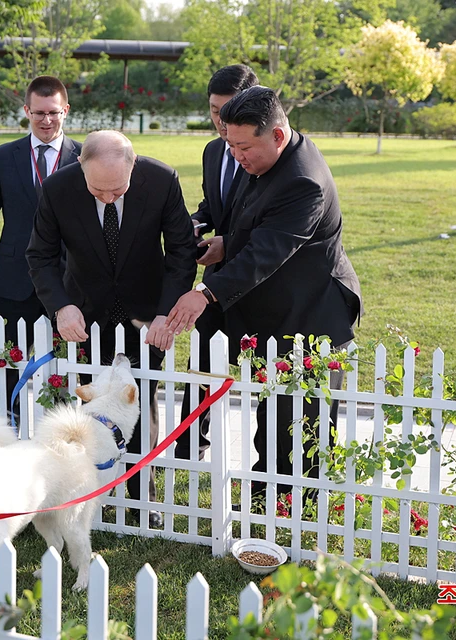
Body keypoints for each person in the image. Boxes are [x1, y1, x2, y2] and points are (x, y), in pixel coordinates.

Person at [165, 86, 362, 504]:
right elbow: (249, 225)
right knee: (271, 415)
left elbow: (267, 252)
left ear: (276, 134)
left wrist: (205, 292)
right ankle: (265, 497)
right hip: (276, 312)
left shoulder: (303, 181)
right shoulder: (263, 160)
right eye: (229, 144)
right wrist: (223, 246)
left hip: (311, 317)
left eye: (243, 146)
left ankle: (291, 508)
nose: (236, 155)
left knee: (297, 422)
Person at [26, 130, 198, 526]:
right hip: (85, 316)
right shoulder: (58, 189)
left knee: (140, 401)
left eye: (116, 189)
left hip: (146, 317)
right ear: (80, 168)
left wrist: (166, 312)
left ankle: (143, 499)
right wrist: (61, 307)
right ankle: (90, 494)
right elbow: (40, 254)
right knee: (93, 408)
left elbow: (181, 252)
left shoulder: (162, 180)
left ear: (133, 166)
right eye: (97, 190)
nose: (107, 197)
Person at [0, 76, 82, 424]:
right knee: (9, 363)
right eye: (39, 113)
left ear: (66, 111)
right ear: (27, 111)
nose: (47, 121)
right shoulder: (5, 156)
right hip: (15, 280)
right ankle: (9, 429)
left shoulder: (84, 155)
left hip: (66, 280)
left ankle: (59, 431)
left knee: (62, 363)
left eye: (54, 113)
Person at [174, 64, 259, 462]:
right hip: (215, 277)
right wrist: (196, 222)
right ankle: (192, 445)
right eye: (213, 111)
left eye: (229, 111)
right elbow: (214, 206)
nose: (222, 123)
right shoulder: (212, 151)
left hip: (260, 278)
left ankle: (267, 458)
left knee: (263, 375)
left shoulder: (263, 154)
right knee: (202, 366)